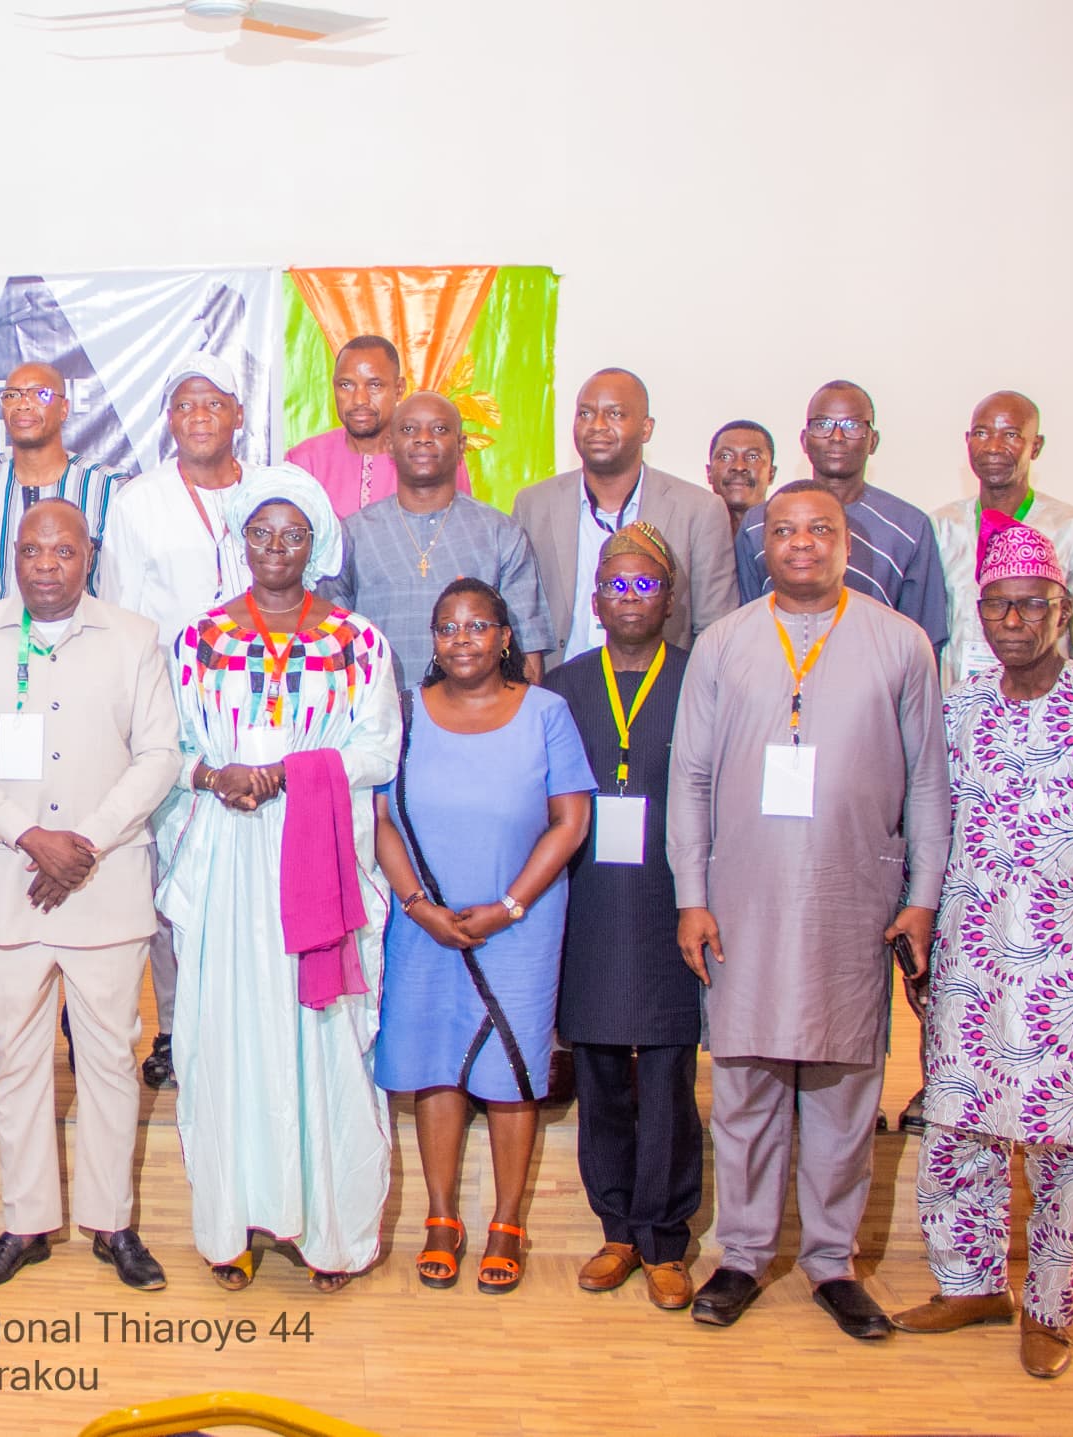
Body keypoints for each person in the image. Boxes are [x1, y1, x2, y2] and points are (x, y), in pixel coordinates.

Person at [672, 481, 948, 1339]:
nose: (799, 543)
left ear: (845, 542)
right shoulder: (722, 643)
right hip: (742, 899)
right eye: (783, 530)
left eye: (817, 530)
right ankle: (745, 1253)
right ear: (762, 545)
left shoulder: (899, 643)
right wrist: (690, 896)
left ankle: (832, 1261)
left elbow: (930, 783)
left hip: (851, 898)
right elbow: (690, 778)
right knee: (747, 1083)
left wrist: (924, 899)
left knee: (841, 1085)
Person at [892, 517, 1073, 1379]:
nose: (1012, 620)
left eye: (1030, 604)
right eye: (997, 605)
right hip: (970, 957)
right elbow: (926, 828)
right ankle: (969, 1284)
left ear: (1059, 609)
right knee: (956, 1125)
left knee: (1066, 1142)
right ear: (981, 611)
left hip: (1072, 965)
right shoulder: (957, 710)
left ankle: (1048, 1308)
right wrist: (917, 935)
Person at [0, 500, 184, 1293]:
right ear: (13, 553)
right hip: (9, 885)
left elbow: (159, 755)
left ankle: (112, 1222)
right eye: (32, 550)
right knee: (15, 1061)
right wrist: (26, 835)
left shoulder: (135, 637)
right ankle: (26, 1221)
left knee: (110, 1058)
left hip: (104, 887)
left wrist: (85, 842)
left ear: (89, 555)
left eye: (62, 551)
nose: (45, 564)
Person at [157, 469, 397, 1292]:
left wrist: (289, 773)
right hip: (226, 857)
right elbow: (168, 746)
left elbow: (378, 750)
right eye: (259, 533)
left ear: (316, 544)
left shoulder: (358, 642)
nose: (273, 549)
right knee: (227, 1034)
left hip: (316, 851)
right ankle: (234, 1224)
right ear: (240, 539)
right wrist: (209, 774)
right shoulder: (196, 640)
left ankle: (328, 1230)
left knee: (319, 1037)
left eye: (291, 535)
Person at [372, 579, 594, 1295]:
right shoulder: (402, 713)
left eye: (478, 625)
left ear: (505, 635)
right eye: (447, 627)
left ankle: (506, 1220)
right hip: (423, 921)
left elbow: (569, 822)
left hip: (519, 922)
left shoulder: (547, 713)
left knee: (512, 1070)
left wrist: (508, 905)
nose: (461, 638)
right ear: (431, 640)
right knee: (435, 1065)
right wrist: (416, 903)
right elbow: (378, 820)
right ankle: (440, 1217)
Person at [97, 352, 284, 1090]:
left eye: (213, 403)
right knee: (173, 879)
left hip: (269, 717)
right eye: (182, 404)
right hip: (173, 720)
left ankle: (258, 1022)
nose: (198, 415)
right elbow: (119, 615)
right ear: (168, 421)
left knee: (260, 877)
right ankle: (177, 1026)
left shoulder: (272, 493)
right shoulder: (137, 501)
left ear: (239, 415)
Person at [540, 523, 703, 1309]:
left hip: (673, 894)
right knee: (601, 1068)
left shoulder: (702, 678)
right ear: (596, 599)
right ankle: (615, 1228)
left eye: (646, 584)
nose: (631, 597)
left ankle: (665, 1239)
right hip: (591, 898)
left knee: (669, 1068)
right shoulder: (566, 685)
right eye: (617, 585)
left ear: (668, 598)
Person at [331, 392, 556, 688]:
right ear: (389, 445)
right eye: (408, 429)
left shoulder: (501, 534)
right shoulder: (350, 536)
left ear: (461, 446)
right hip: (378, 724)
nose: (423, 438)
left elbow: (527, 655)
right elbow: (332, 648)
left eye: (439, 429)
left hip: (476, 724)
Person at [512, 369, 738, 660]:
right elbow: (520, 617)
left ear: (646, 429)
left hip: (661, 692)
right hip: (558, 689)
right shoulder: (533, 504)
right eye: (585, 414)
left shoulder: (699, 510)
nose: (597, 425)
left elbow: (715, 632)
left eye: (615, 414)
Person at [733, 381, 948, 654]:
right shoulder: (759, 523)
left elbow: (923, 639)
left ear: (873, 440)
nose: (836, 437)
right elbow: (744, 624)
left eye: (852, 425)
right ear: (804, 439)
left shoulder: (909, 527)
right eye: (822, 424)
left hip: (875, 685)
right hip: (774, 677)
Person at [929, 390, 1073, 690]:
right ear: (967, 441)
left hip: (1049, 714)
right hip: (956, 707)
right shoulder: (939, 528)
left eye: (1011, 434)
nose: (993, 446)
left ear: (1036, 446)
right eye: (981, 433)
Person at [0, 362, 123, 610]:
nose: (23, 404)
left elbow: (125, 585)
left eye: (41, 394)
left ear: (64, 409)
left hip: (81, 642)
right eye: (11, 395)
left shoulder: (108, 488)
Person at [281, 335, 473, 517]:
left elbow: (459, 536)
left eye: (374, 385)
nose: (359, 400)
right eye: (346, 385)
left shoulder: (432, 459)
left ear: (399, 389)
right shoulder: (304, 462)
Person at [704, 420, 775, 528]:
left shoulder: (789, 537)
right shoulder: (687, 534)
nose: (739, 467)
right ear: (709, 473)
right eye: (725, 457)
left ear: (771, 473)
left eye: (753, 457)